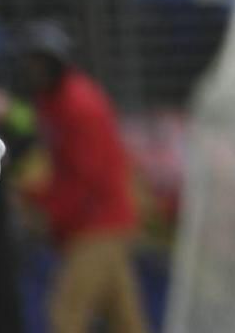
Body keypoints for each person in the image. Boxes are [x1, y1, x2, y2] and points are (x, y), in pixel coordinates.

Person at [15, 22, 147, 333]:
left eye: (42, 64)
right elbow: (61, 168)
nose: (36, 71)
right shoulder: (51, 103)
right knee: (126, 322)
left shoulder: (80, 106)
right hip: (100, 222)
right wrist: (34, 194)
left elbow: (86, 177)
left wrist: (48, 212)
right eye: (32, 63)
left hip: (99, 224)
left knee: (65, 316)